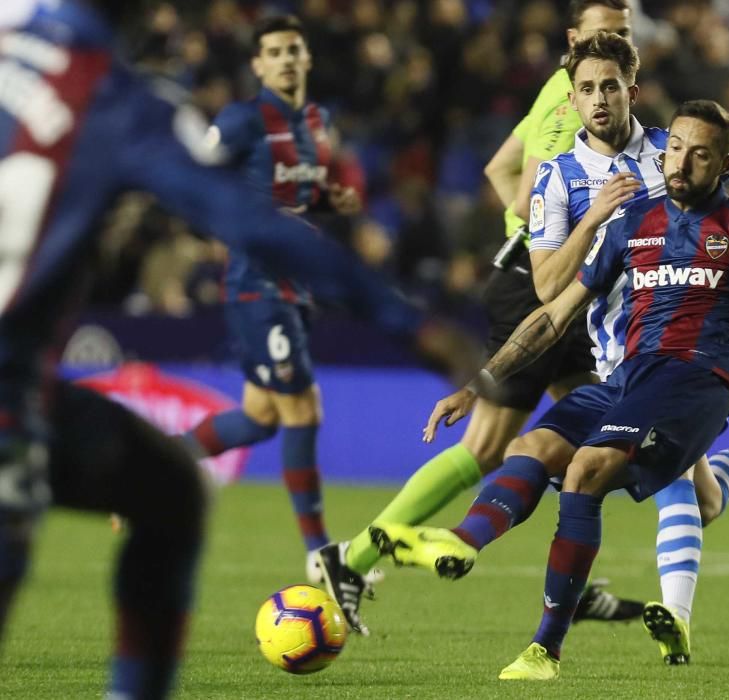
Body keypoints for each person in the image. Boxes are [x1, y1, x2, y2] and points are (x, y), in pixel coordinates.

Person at [0, 1, 466, 697]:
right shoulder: (118, 96)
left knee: (188, 471)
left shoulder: (313, 125)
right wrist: (410, 324)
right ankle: (320, 554)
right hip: (233, 295)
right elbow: (250, 220)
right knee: (291, 411)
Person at [371, 99, 729, 680]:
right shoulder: (632, 222)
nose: (681, 163)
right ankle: (460, 541)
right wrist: (478, 383)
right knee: (530, 449)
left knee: (587, 469)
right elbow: (554, 315)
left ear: (725, 165)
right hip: (627, 378)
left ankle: (544, 650)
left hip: (695, 382)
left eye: (700, 155)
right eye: (674, 147)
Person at [318, 0, 643, 636]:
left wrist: (528, 226)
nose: (618, 40)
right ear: (574, 38)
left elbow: (499, 168)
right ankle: (351, 558)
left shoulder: (570, 89)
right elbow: (527, 190)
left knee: (591, 444)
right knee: (489, 445)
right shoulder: (567, 100)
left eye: (626, 34)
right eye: (605, 33)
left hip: (573, 286)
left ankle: (572, 583)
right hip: (541, 288)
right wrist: (547, 228)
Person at [526, 31, 729, 662]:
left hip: (677, 356)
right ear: (572, 97)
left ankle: (673, 619)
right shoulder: (560, 175)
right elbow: (548, 290)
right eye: (586, 88)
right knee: (703, 498)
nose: (599, 98)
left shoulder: (675, 151)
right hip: (610, 355)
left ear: (631, 91)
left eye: (610, 85)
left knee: (662, 482)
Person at [180, 15, 363, 594]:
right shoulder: (239, 121)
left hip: (298, 284)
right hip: (256, 285)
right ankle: (320, 556)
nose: (285, 59)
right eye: (273, 52)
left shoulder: (318, 121)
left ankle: (157, 465)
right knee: (303, 409)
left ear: (306, 59)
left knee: (261, 417)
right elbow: (189, 184)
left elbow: (297, 198)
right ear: (257, 65)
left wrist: (330, 202)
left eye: (293, 50)